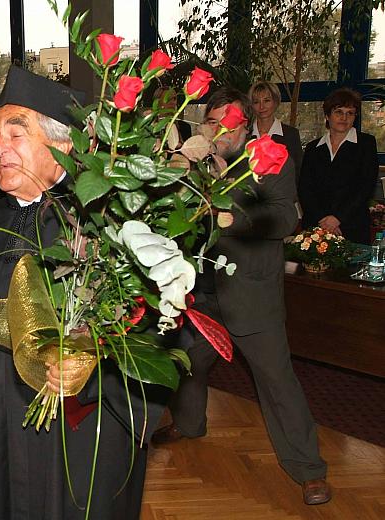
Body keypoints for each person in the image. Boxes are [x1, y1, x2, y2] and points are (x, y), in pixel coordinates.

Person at [0, 66, 168, 520]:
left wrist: (88, 375)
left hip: (77, 430)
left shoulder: (110, 232)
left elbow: (155, 341)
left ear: (62, 144)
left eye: (15, 134)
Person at [151, 87, 330, 506]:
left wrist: (234, 216)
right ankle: (190, 423)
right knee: (190, 362)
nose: (219, 129)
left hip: (250, 291)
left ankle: (308, 469)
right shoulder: (195, 159)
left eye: (227, 121)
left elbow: (286, 216)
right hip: (201, 287)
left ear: (245, 123)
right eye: (213, 121)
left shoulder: (268, 158)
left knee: (276, 379)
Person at [299, 88, 378, 244]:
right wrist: (324, 220)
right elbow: (304, 188)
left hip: (351, 226)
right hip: (316, 227)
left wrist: (337, 219)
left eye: (350, 113)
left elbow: (366, 187)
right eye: (338, 112)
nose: (344, 117)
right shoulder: (313, 148)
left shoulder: (366, 144)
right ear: (327, 116)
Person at [249, 80, 303, 179]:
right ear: (251, 106)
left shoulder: (291, 135)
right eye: (256, 102)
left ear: (275, 102)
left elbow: (298, 172)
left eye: (266, 101)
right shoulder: (245, 134)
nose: (262, 106)